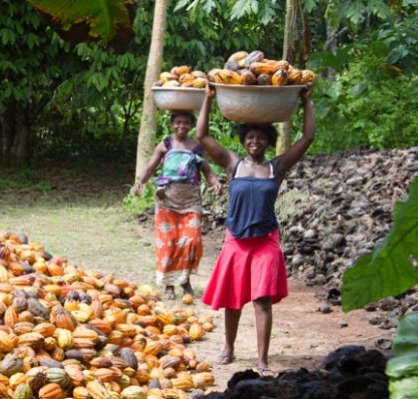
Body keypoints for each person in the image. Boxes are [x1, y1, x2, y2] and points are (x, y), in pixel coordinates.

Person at [197, 82, 315, 376]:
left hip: (265, 242)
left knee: (262, 301)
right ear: (243, 140)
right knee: (233, 299)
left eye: (261, 138)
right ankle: (229, 348)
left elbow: (308, 137)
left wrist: (306, 102)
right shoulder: (231, 163)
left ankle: (262, 360)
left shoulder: (277, 167)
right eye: (250, 137)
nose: (255, 142)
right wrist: (209, 98)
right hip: (236, 240)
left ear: (268, 142)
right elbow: (202, 135)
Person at [135, 110, 222, 300]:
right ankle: (169, 284)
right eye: (177, 122)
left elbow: (206, 169)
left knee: (191, 241)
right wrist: (140, 182)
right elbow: (151, 166)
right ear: (172, 124)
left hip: (191, 200)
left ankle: (185, 280)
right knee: (169, 243)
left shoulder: (197, 146)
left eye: (185, 123)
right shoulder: (165, 144)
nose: (181, 126)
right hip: (167, 199)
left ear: (191, 125)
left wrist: (214, 182)